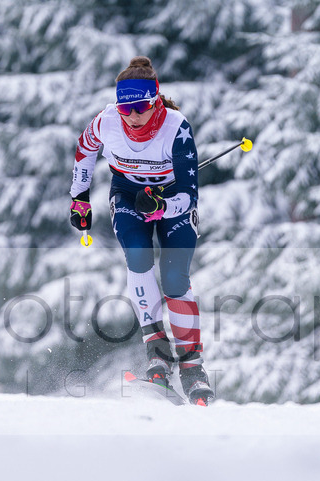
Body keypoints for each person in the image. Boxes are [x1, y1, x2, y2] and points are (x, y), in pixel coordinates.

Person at [69, 56, 213, 406]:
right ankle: (157, 355)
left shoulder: (176, 127)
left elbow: (190, 195)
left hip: (172, 199)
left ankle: (192, 367)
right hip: (128, 195)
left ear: (156, 100)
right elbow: (85, 150)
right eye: (125, 108)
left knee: (175, 279)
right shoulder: (107, 122)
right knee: (138, 257)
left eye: (140, 107)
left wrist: (163, 206)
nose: (132, 115)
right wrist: (79, 197)